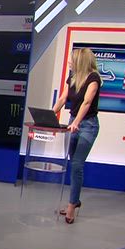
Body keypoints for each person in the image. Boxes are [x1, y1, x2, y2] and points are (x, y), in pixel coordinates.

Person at [53, 47, 101, 224]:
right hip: (73, 122)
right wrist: (49, 115)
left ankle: (72, 205)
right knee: (72, 164)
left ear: (80, 61)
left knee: (77, 165)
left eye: (72, 60)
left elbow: (87, 102)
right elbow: (62, 99)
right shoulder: (72, 77)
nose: (69, 62)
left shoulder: (93, 78)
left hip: (88, 125)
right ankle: (75, 200)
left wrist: (77, 123)